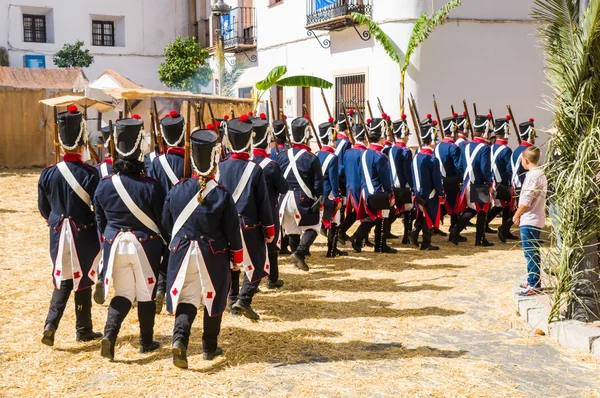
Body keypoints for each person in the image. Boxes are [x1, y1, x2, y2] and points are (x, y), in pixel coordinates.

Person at [163, 128, 244, 368]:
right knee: (214, 298)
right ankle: (209, 347)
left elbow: (168, 224)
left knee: (187, 299)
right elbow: (232, 231)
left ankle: (180, 341)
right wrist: (237, 258)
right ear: (214, 159)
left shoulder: (177, 189)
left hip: (183, 253)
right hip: (213, 255)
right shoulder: (221, 194)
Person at [94, 116, 166, 360]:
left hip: (115, 245)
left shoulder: (103, 185)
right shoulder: (152, 185)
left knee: (123, 294)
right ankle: (146, 343)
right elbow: (161, 220)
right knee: (146, 295)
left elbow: (100, 222)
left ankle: (109, 336)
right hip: (145, 246)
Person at [38, 104, 103, 347]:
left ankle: (50, 324)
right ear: (81, 140)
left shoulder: (48, 173)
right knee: (83, 278)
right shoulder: (90, 173)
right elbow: (99, 208)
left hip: (58, 233)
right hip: (82, 232)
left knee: (63, 278)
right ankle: (83, 329)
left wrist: (54, 221)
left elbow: (44, 208)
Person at [219, 115, 274, 320]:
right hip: (248, 224)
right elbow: (263, 203)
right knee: (260, 263)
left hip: (225, 225)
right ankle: (244, 299)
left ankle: (233, 300)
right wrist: (269, 229)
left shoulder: (220, 167)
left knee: (233, 263)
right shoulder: (255, 169)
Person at [148, 110, 190, 314]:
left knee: (163, 253)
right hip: (184, 214)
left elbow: (152, 188)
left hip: (160, 214)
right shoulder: (189, 161)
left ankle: (160, 289)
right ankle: (172, 290)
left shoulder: (156, 162)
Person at [277, 116, 324, 271]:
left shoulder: (282, 155)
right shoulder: (311, 158)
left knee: (292, 230)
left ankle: (297, 259)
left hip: (284, 199)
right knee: (314, 226)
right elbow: (318, 183)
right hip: (302, 198)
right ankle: (300, 252)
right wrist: (319, 198)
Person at [251, 113, 289, 288]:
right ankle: (272, 279)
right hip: (270, 210)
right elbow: (283, 188)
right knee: (271, 246)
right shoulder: (271, 165)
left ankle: (251, 282)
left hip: (249, 212)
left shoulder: (247, 164)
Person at [352, 117, 396, 254]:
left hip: (366, 190)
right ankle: (379, 245)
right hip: (378, 191)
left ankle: (362, 239)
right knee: (382, 218)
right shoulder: (380, 156)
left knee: (373, 218)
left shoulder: (365, 153)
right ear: (381, 137)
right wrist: (390, 193)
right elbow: (385, 178)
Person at [450, 114, 495, 247]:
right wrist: (489, 183)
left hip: (467, 182)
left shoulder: (466, 146)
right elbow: (485, 168)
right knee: (482, 212)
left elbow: (460, 166)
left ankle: (455, 229)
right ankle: (479, 239)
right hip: (480, 183)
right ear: (484, 131)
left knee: (473, 209)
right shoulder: (485, 148)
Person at [513, 146, 546, 296]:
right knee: (533, 251)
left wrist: (517, 214)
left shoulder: (532, 176)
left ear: (525, 160)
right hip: (536, 217)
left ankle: (534, 283)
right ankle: (532, 278)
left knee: (530, 253)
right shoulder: (540, 174)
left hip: (530, 219)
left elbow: (526, 200)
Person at [410, 121, 445, 251]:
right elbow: (436, 179)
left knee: (424, 215)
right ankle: (426, 243)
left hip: (418, 192)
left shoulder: (416, 157)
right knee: (429, 216)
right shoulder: (432, 159)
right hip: (430, 192)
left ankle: (415, 232)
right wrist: (441, 193)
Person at [317, 117, 347, 257]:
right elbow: (333, 180)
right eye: (334, 139)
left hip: (318, 193)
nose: (336, 142)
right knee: (335, 221)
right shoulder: (332, 157)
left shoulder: (317, 154)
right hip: (329, 193)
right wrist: (337, 197)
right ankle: (331, 250)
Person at [487, 116, 519, 242]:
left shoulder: (491, 147)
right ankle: (504, 230)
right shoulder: (506, 150)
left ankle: (504, 230)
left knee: (501, 207)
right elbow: (509, 169)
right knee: (505, 207)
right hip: (502, 182)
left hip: (493, 181)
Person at [436, 114, 465, 242]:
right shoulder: (453, 148)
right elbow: (458, 167)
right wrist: (461, 180)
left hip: (440, 181)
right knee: (454, 209)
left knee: (444, 207)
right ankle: (454, 233)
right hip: (452, 181)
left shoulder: (437, 146)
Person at [338, 123, 368, 245]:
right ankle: (361, 239)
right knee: (366, 213)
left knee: (355, 213)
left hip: (349, 186)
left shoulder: (349, 152)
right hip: (359, 187)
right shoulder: (363, 153)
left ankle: (341, 230)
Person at [389, 115, 415, 244]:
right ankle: (407, 236)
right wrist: (412, 185)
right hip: (404, 185)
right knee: (408, 211)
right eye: (407, 134)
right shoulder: (405, 151)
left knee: (394, 210)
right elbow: (407, 171)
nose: (408, 137)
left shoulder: (392, 149)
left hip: (393, 184)